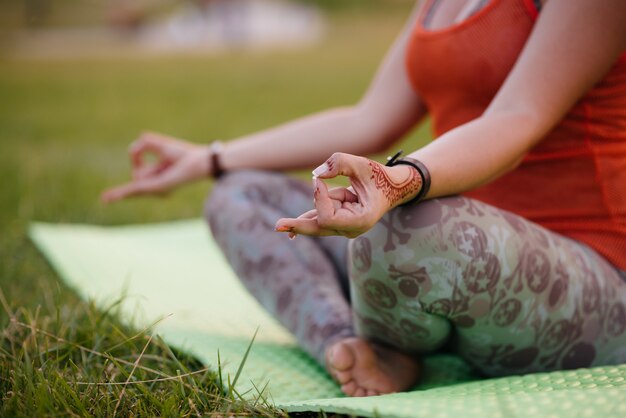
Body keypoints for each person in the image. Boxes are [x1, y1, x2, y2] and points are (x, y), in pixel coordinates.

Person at [102, 0, 626, 398]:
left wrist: (397, 182)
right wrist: (212, 158)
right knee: (241, 197)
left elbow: (519, 117)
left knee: (405, 227)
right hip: (444, 270)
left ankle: (393, 338)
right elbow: (368, 119)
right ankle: (351, 344)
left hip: (591, 279)